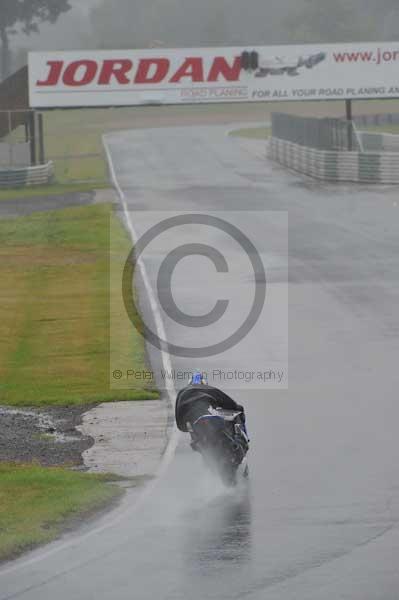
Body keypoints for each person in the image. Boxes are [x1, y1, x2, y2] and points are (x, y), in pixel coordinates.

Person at [175, 371, 248, 445]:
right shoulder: (208, 389)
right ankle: (243, 439)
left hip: (194, 426)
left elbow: (180, 423)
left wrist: (186, 426)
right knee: (239, 411)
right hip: (207, 420)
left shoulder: (182, 393)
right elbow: (231, 404)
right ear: (204, 383)